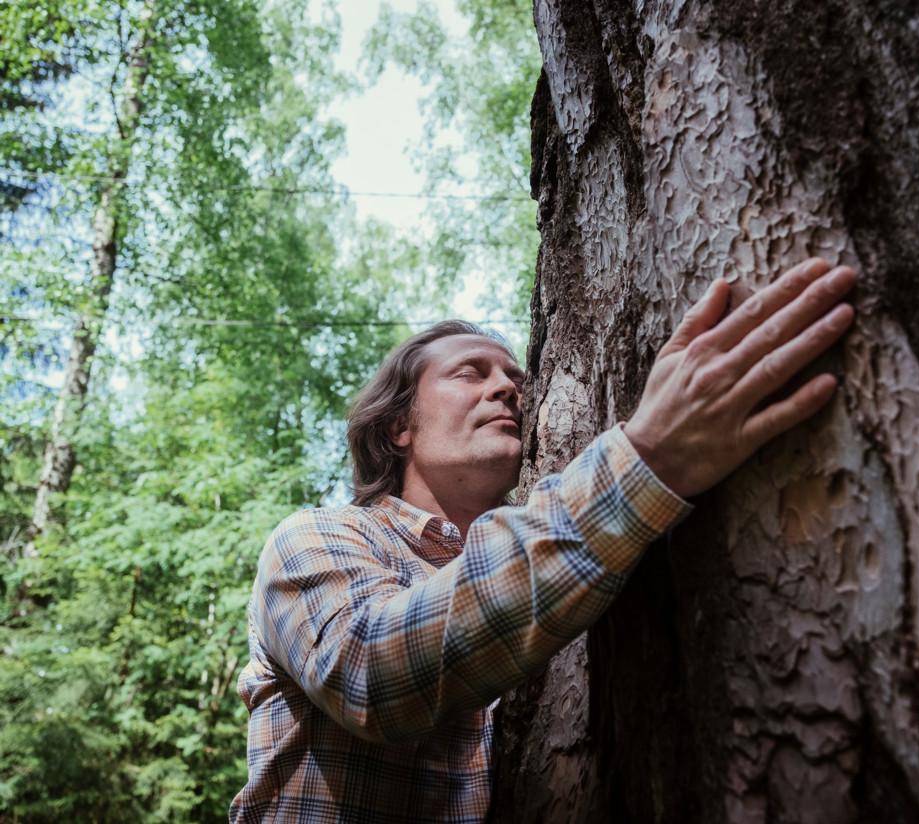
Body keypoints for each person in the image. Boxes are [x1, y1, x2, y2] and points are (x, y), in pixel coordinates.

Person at [229, 257, 858, 822]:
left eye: (513, 377)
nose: (506, 387)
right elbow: (370, 675)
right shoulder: (316, 537)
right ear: (398, 426)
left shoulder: (554, 573)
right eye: (469, 373)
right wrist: (646, 463)